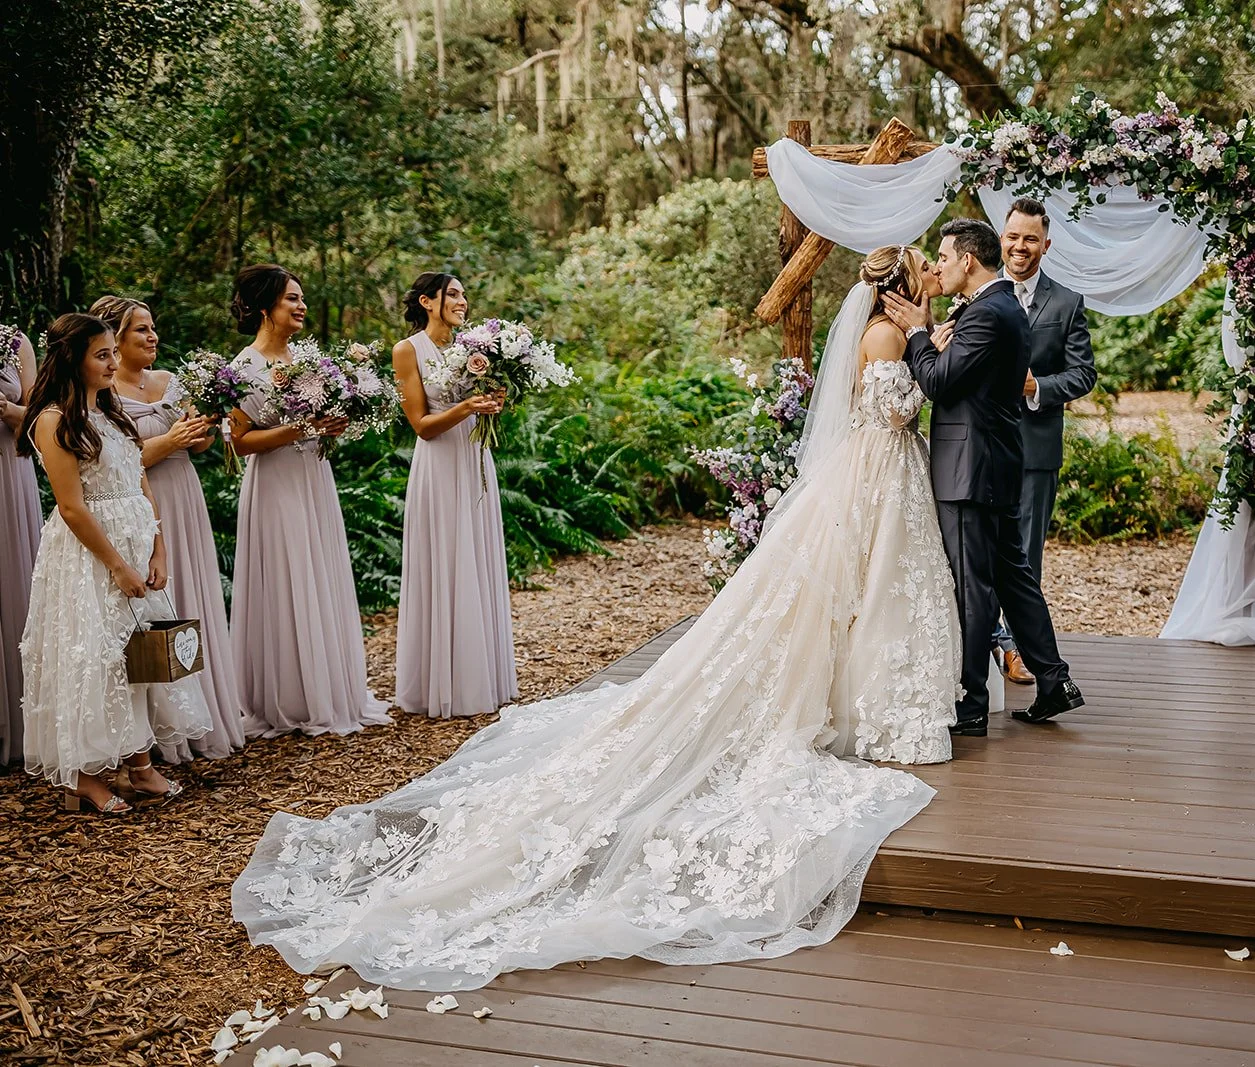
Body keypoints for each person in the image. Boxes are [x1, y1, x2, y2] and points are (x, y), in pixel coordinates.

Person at [232, 247, 957, 991]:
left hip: (871, 472)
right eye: (923, 272)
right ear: (900, 287)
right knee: (861, 593)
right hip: (878, 468)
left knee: (862, 594)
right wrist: (932, 335)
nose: (931, 277)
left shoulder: (883, 329)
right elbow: (896, 408)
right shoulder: (889, 334)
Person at [884, 217, 1083, 735]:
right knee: (1014, 579)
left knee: (974, 588)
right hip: (993, 465)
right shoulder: (999, 307)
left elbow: (937, 382)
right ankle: (1054, 681)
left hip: (970, 472)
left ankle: (970, 706)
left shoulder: (988, 313)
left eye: (944, 258)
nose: (939, 267)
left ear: (967, 259)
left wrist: (916, 334)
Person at [17, 313, 209, 812]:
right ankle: (84, 775)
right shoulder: (54, 421)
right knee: (95, 656)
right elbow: (72, 506)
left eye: (112, 353)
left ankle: (140, 767)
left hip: (135, 546)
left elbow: (138, 481)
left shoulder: (111, 413)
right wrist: (115, 565)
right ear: (73, 360)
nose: (113, 363)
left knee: (137, 657)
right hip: (88, 557)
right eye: (102, 355)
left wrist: (156, 546)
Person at [228, 264, 391, 737]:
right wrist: (303, 428)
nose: (301, 307)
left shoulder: (309, 360)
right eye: (291, 300)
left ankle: (329, 687)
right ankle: (289, 696)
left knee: (318, 571)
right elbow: (239, 441)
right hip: (276, 484)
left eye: (301, 299)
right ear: (264, 308)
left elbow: (319, 422)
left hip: (313, 477)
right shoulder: (245, 367)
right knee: (286, 575)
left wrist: (333, 425)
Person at [95, 295, 248, 761]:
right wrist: (168, 441)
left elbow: (195, 446)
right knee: (159, 604)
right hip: (140, 505)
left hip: (185, 493)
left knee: (195, 595)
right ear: (114, 339)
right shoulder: (102, 395)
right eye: (141, 329)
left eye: (153, 327)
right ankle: (160, 736)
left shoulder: (169, 381)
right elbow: (109, 467)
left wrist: (202, 433)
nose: (153, 336)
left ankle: (209, 713)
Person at [391, 272, 518, 719]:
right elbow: (422, 427)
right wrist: (466, 407)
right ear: (428, 301)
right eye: (454, 294)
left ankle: (482, 673)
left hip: (475, 460)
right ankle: (441, 682)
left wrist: (494, 403)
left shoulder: (475, 348)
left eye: (465, 294)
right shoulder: (408, 351)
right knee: (445, 558)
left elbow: (486, 403)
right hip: (439, 467)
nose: (463, 301)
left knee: (476, 556)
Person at [987, 197, 1097, 685]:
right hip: (980, 445)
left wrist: (1038, 388)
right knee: (972, 549)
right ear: (1001, 239)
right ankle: (984, 640)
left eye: (1030, 239)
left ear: (1045, 245)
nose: (1020, 246)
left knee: (1024, 556)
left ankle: (1018, 649)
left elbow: (1083, 374)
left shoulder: (1067, 303)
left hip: (1035, 450)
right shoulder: (978, 294)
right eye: (1013, 237)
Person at [1, 325, 42, 766]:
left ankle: (21, 720)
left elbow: (39, 413)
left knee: (15, 587)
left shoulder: (15, 342)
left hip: (9, 476)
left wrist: (9, 409)